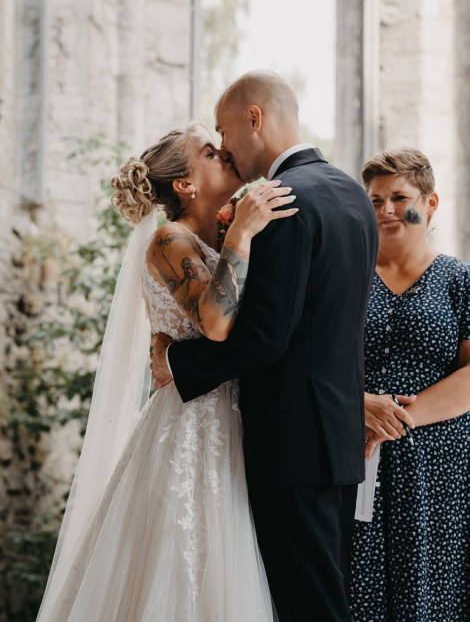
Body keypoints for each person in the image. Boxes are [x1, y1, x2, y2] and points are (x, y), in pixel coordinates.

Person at [35, 120, 296, 622]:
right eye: (208, 150)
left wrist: (237, 229)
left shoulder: (223, 231)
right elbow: (217, 324)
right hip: (191, 423)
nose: (224, 151)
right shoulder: (168, 241)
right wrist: (241, 231)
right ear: (185, 184)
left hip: (245, 414)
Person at [151, 70, 379, 622]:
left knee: (309, 606)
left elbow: (263, 338)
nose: (224, 148)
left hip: (289, 443)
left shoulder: (282, 201)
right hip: (337, 441)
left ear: (254, 119)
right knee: (325, 597)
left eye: (224, 132)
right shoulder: (351, 193)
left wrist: (174, 362)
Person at [350, 148, 470, 621]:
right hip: (355, 451)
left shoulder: (458, 280)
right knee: (358, 585)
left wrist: (396, 420)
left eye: (399, 198)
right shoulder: (346, 278)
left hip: (439, 463)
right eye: (375, 200)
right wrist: (359, 406)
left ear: (432, 202)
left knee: (434, 587)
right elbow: (313, 361)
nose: (385, 211)